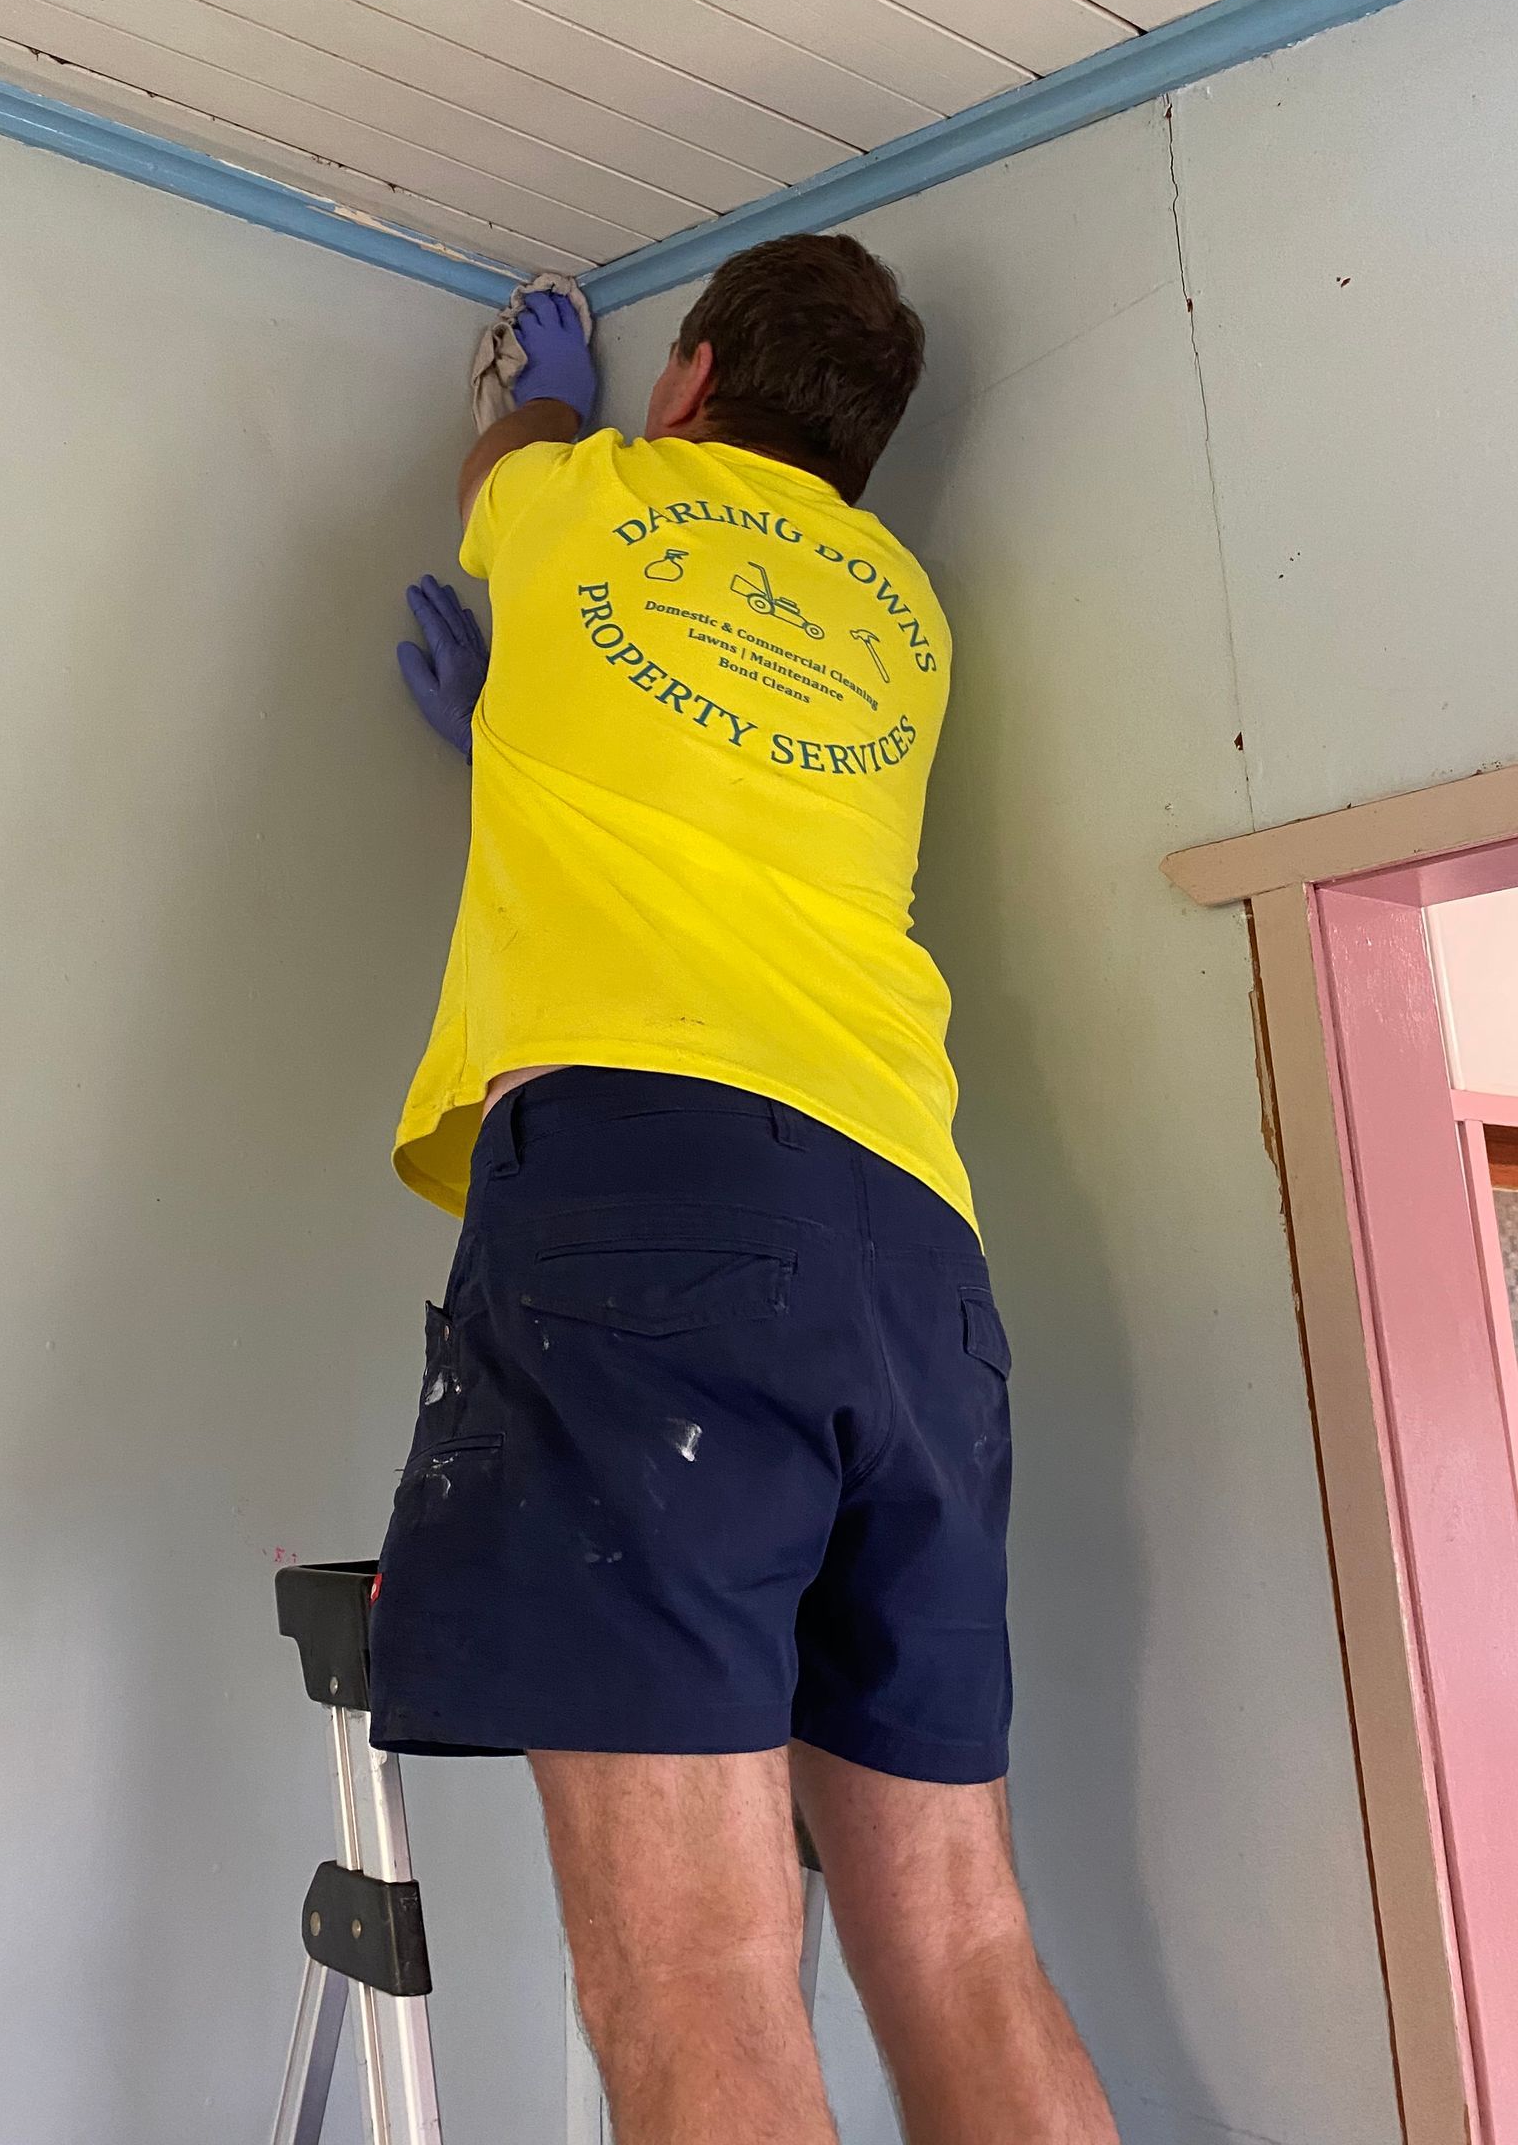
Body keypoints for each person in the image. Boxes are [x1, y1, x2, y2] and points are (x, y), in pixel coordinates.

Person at [373, 239, 1116, 2145]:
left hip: (659, 1201)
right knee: (961, 1936)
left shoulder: (583, 492)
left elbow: (508, 471)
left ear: (687, 379)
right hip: (913, 1248)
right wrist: (518, 751)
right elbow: (724, 809)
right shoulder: (905, 616)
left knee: (697, 1963)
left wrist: (527, 393)